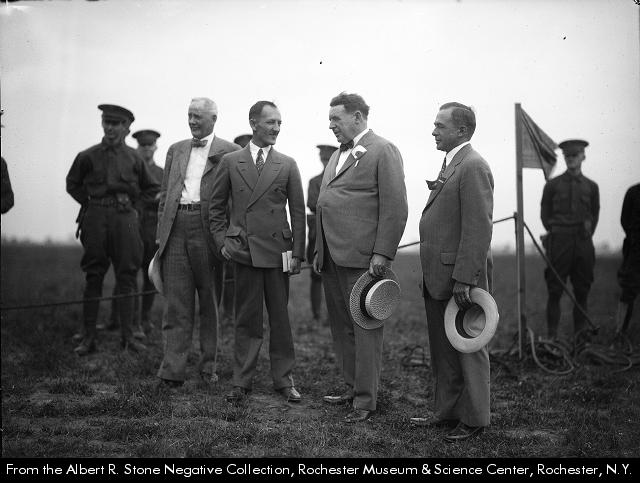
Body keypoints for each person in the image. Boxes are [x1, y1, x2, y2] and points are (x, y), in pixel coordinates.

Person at [314, 92, 408, 424]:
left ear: (357, 117)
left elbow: (395, 208)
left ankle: (366, 400)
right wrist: (319, 249)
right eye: (329, 119)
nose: (331, 125)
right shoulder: (336, 154)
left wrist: (382, 253)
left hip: (363, 260)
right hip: (331, 256)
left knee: (365, 327)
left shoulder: (383, 150)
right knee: (342, 327)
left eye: (335, 119)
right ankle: (352, 387)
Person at [209, 101, 305, 403]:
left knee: (280, 320)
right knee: (246, 319)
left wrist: (298, 253)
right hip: (244, 252)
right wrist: (222, 243)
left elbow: (298, 213)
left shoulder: (287, 164)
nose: (276, 128)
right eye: (270, 122)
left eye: (279, 123)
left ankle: (284, 380)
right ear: (253, 124)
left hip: (278, 253)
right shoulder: (231, 161)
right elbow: (215, 209)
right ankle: (241, 381)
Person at [413, 102, 494, 442]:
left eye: (440, 126)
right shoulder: (452, 163)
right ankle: (447, 412)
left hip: (459, 278)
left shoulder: (473, 166)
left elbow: (478, 228)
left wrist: (465, 278)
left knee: (468, 346)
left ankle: (474, 419)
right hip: (439, 275)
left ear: (461, 130)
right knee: (444, 349)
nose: (433, 131)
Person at [155, 98, 240, 388]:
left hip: (209, 230)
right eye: (189, 115)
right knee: (176, 302)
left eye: (198, 117)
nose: (192, 121)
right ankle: (172, 370)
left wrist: (228, 238)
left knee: (209, 299)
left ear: (213, 119)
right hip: (176, 227)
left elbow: (236, 201)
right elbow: (165, 196)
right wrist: (161, 236)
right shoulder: (175, 149)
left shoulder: (231, 151)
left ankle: (208, 367)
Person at [66, 104, 159, 356]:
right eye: (107, 122)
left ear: (125, 127)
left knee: (127, 276)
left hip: (125, 219)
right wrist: (90, 202)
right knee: (93, 274)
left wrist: (133, 205)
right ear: (102, 123)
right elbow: (72, 184)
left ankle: (128, 336)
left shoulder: (134, 158)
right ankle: (89, 337)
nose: (110, 128)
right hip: (95, 218)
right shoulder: (87, 156)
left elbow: (151, 188)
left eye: (116, 124)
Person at [541, 139, 599, 340]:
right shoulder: (553, 185)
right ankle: (552, 339)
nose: (571, 159)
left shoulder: (591, 187)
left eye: (575, 155)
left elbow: (595, 215)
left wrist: (584, 235)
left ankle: (579, 341)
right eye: (567, 156)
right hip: (559, 243)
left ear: (583, 156)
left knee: (582, 291)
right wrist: (559, 232)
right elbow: (545, 215)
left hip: (583, 243)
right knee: (555, 291)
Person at [307, 144, 337, 321]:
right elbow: (312, 203)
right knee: (315, 274)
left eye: (328, 158)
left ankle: (334, 315)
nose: (325, 161)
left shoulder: (342, 180)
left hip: (337, 234)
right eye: (323, 158)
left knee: (336, 276)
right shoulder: (314, 182)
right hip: (317, 233)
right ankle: (316, 315)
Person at [616, 183, 640, 333]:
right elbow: (624, 220)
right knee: (628, 292)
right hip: (635, 252)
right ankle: (620, 334)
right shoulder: (633, 192)